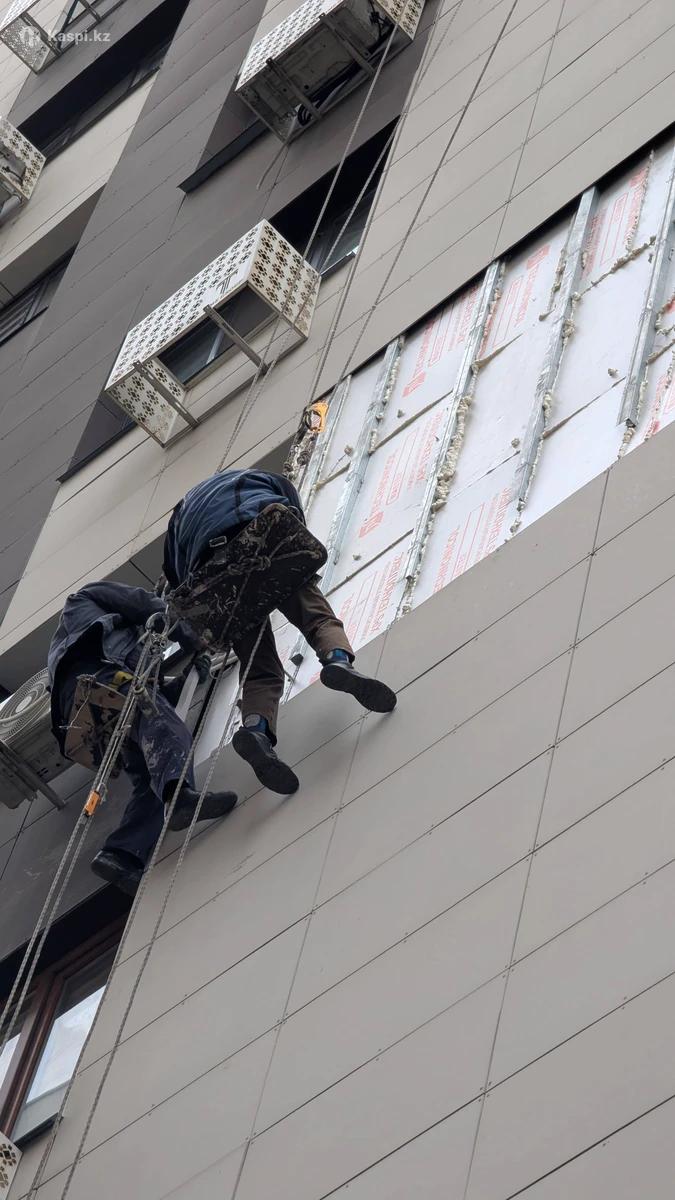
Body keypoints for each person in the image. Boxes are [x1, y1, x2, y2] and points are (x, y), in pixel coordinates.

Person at [162, 469, 397, 796]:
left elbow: (175, 578)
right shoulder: (249, 476)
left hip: (213, 577)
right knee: (316, 617)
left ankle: (255, 729)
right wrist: (296, 572)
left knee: (260, 667)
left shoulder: (178, 522)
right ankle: (337, 661)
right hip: (262, 536)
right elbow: (291, 506)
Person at [48, 581, 238, 895]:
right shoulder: (85, 597)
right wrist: (193, 638)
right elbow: (144, 603)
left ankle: (120, 855)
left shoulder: (137, 648)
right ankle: (180, 797)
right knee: (168, 729)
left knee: (150, 775)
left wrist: (190, 675)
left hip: (101, 703)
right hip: (97, 677)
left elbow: (156, 695)